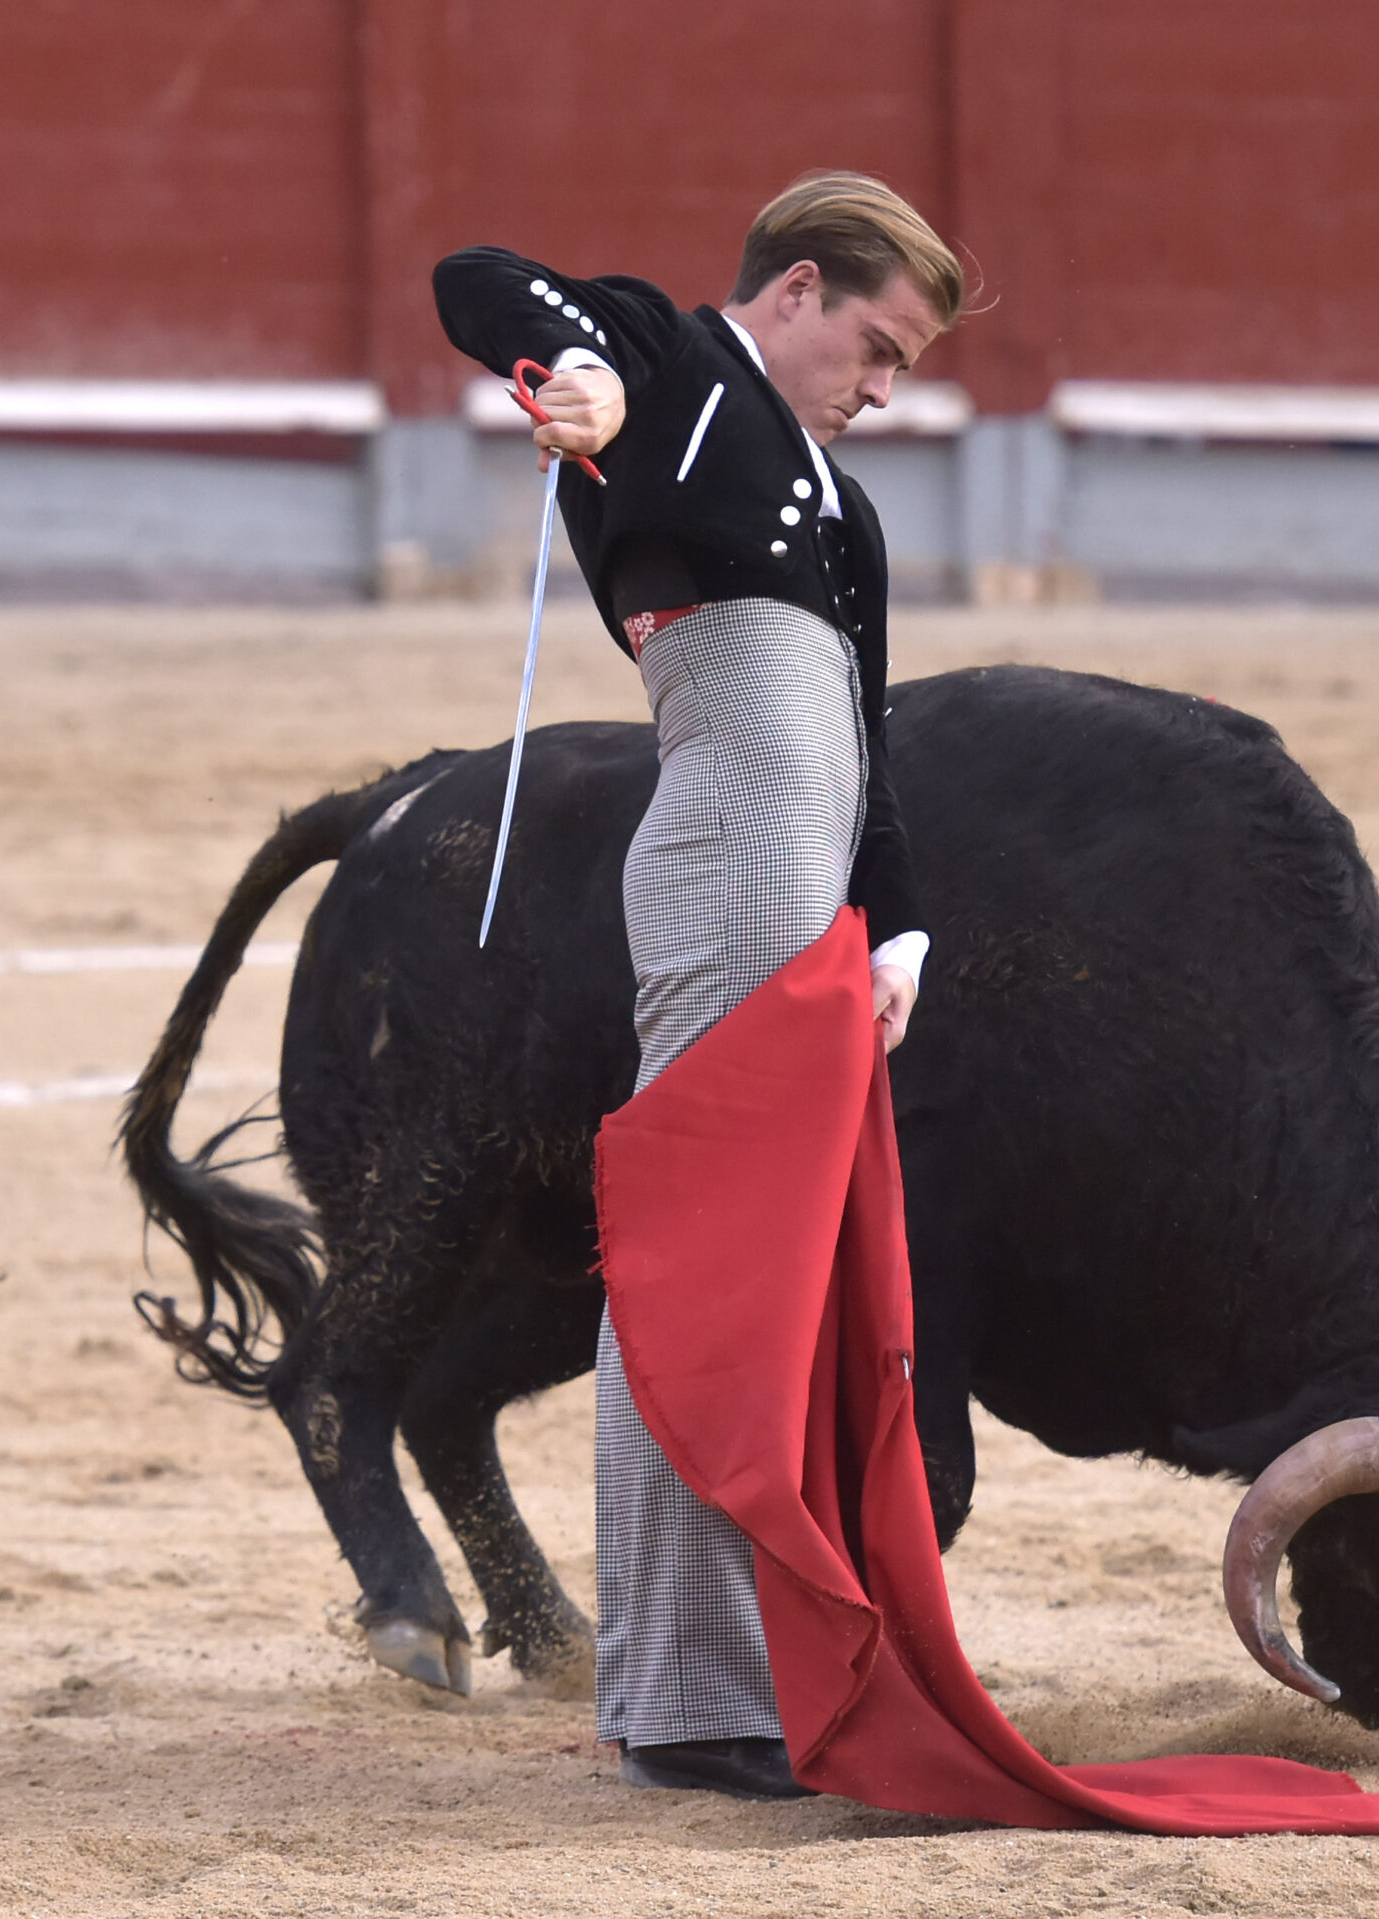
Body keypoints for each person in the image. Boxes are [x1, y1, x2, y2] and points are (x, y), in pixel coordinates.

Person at [433, 173, 964, 1801]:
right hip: (731, 857)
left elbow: (865, 744)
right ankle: (680, 1694)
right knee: (707, 1270)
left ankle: (740, 1671)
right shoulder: (671, 367)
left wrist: (898, 924)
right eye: (874, 346)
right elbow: (484, 276)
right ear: (797, 288)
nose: (881, 391)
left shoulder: (845, 509)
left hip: (811, 890)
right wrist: (577, 383)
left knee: (783, 1279)